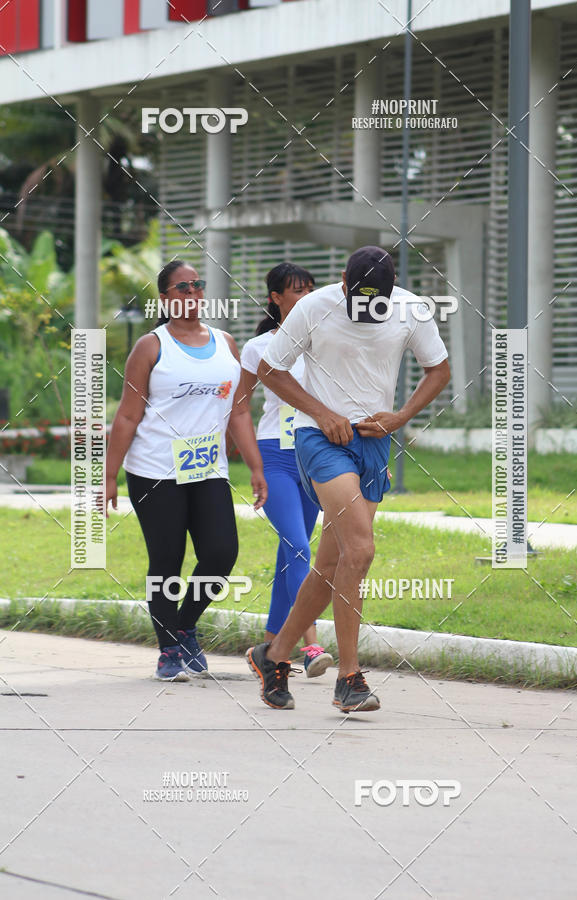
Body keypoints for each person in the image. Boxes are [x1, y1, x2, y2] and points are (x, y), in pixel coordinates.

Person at [246, 246, 450, 712]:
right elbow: (269, 370)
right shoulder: (314, 308)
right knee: (361, 549)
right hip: (319, 439)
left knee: (333, 562)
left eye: (376, 302)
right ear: (343, 280)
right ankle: (350, 678)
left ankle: (274, 654)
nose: (367, 310)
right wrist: (321, 412)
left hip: (375, 441)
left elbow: (438, 370)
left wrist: (402, 417)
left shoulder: (410, 309)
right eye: (359, 299)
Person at [105, 259, 267, 681]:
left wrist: (255, 466)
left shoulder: (226, 342)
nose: (193, 293)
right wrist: (109, 475)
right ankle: (167, 650)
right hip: (155, 469)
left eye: (198, 286)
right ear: (165, 298)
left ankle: (184, 623)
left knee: (220, 552)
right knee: (166, 560)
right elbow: (126, 416)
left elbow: (239, 412)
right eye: (183, 288)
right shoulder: (151, 346)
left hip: (207, 468)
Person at [240, 263, 333, 678]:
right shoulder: (258, 347)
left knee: (288, 555)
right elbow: (239, 407)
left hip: (312, 456)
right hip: (274, 456)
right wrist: (253, 466)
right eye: (298, 291)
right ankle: (311, 645)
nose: (307, 297)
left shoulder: (325, 343)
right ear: (276, 298)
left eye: (312, 290)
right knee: (298, 547)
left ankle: (269, 647)